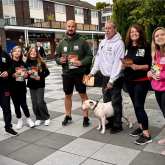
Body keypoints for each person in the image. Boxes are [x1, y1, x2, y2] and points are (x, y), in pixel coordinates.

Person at [88, 20, 125, 134]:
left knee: (115, 101)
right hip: (105, 77)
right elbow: (98, 59)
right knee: (106, 100)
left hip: (115, 78)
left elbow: (117, 64)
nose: (107, 30)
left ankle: (118, 124)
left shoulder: (119, 44)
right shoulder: (103, 42)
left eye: (109, 28)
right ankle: (111, 121)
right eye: (105, 28)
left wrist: (112, 80)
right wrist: (92, 72)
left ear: (115, 29)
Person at [55, 20, 93, 127]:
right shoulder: (61, 43)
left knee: (83, 94)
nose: (70, 28)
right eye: (68, 26)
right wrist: (59, 61)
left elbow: (90, 55)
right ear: (66, 28)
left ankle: (86, 117)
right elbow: (57, 56)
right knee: (67, 95)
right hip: (67, 73)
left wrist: (81, 62)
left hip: (80, 73)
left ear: (75, 27)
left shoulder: (82, 41)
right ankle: (68, 116)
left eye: (72, 26)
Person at [121, 24, 152, 145]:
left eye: (136, 32)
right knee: (135, 105)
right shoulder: (127, 47)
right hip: (129, 80)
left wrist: (138, 67)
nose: (134, 33)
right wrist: (123, 66)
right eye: (132, 32)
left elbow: (150, 65)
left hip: (141, 80)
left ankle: (147, 135)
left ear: (140, 33)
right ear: (129, 34)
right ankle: (140, 127)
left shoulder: (146, 46)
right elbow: (125, 61)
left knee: (139, 106)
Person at [147, 27, 165, 155]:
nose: (159, 37)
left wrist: (162, 76)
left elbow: (162, 73)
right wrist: (150, 74)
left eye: (162, 35)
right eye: (157, 36)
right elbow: (155, 70)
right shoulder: (156, 54)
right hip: (157, 88)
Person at [10, 46, 35, 129]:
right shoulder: (9, 63)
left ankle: (28, 118)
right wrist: (13, 76)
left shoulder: (23, 63)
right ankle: (19, 120)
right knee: (16, 105)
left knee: (24, 104)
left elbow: (27, 75)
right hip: (12, 87)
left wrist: (26, 75)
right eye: (16, 51)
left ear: (21, 53)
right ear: (12, 53)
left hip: (21, 86)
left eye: (19, 51)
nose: (17, 52)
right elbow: (7, 75)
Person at [25, 47, 50, 126]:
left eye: (34, 52)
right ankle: (38, 117)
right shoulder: (26, 63)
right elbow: (24, 76)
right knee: (34, 102)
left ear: (37, 53)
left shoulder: (40, 62)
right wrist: (27, 74)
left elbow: (47, 73)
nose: (33, 53)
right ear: (29, 53)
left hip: (40, 84)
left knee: (40, 101)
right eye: (31, 51)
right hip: (31, 85)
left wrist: (40, 77)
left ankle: (46, 117)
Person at [0, 43, 18, 136]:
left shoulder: (4, 54)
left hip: (4, 86)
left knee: (6, 107)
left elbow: (12, 67)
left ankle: (8, 128)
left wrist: (7, 72)